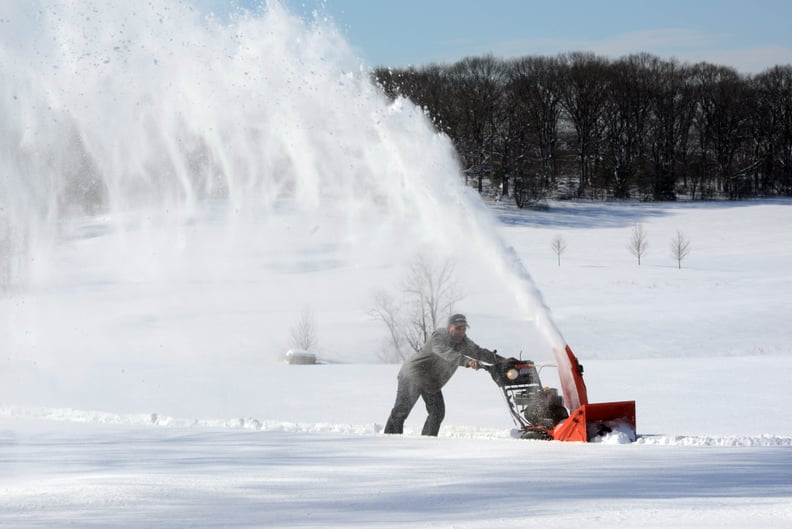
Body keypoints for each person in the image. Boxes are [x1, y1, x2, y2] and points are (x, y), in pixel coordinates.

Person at [384, 313, 503, 436]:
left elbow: (479, 352)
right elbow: (446, 353)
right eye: (457, 328)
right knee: (401, 411)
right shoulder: (440, 336)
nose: (461, 332)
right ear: (449, 327)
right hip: (413, 375)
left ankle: (427, 441)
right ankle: (390, 440)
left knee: (437, 412)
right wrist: (468, 361)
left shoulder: (463, 342)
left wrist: (502, 361)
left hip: (430, 381)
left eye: (464, 329)